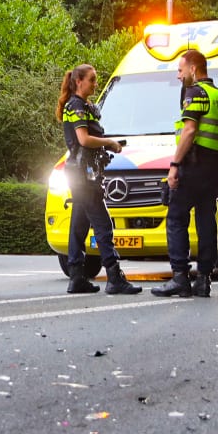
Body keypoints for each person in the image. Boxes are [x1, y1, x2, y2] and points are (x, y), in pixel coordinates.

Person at [152, 48, 218, 298]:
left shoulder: (195, 92)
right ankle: (204, 280)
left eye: (180, 70)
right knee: (206, 221)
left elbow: (189, 131)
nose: (178, 76)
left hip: (193, 165)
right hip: (213, 168)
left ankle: (180, 278)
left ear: (193, 69)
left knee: (176, 217)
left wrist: (175, 165)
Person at [57, 64, 141, 296]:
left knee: (79, 226)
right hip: (84, 175)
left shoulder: (80, 106)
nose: (95, 83)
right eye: (92, 80)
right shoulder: (76, 106)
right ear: (79, 82)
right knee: (103, 225)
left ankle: (76, 277)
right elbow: (83, 139)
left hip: (81, 173)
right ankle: (114, 277)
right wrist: (109, 143)